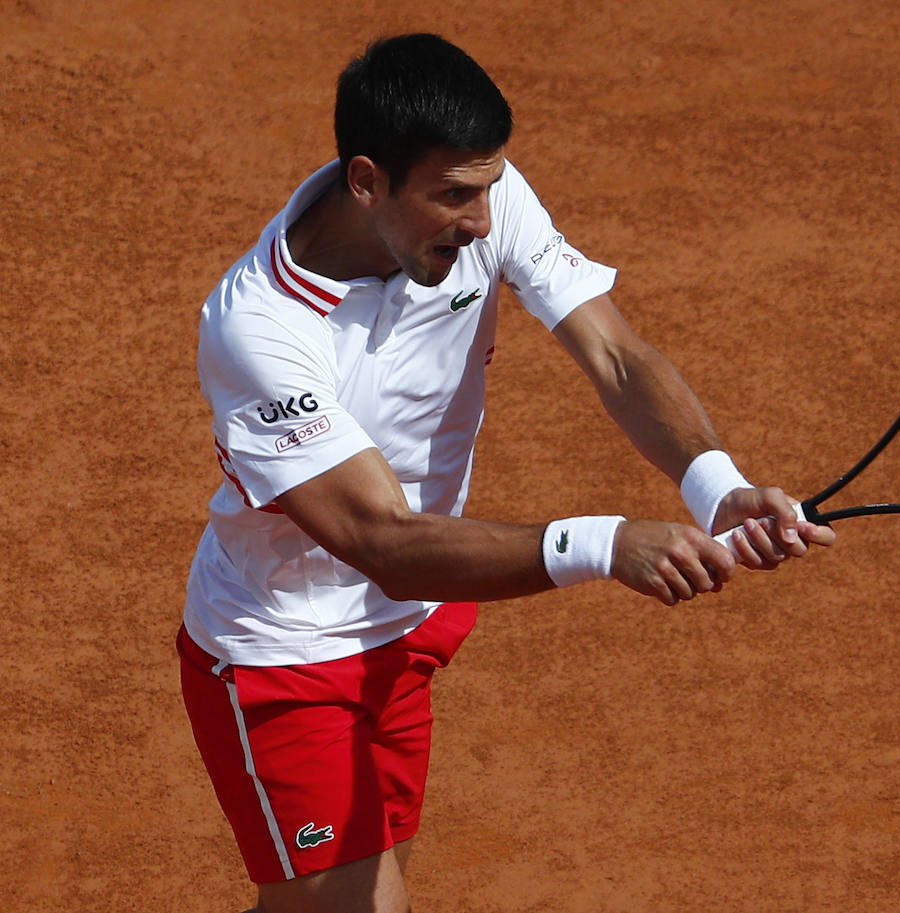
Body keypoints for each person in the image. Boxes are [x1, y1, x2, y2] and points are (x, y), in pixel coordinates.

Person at [177, 32, 834, 913]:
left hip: (407, 631)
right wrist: (602, 544)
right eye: (454, 196)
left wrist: (716, 485)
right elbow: (385, 540)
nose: (483, 222)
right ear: (367, 181)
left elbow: (616, 355)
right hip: (287, 655)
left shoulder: (483, 197)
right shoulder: (257, 330)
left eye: (487, 189)